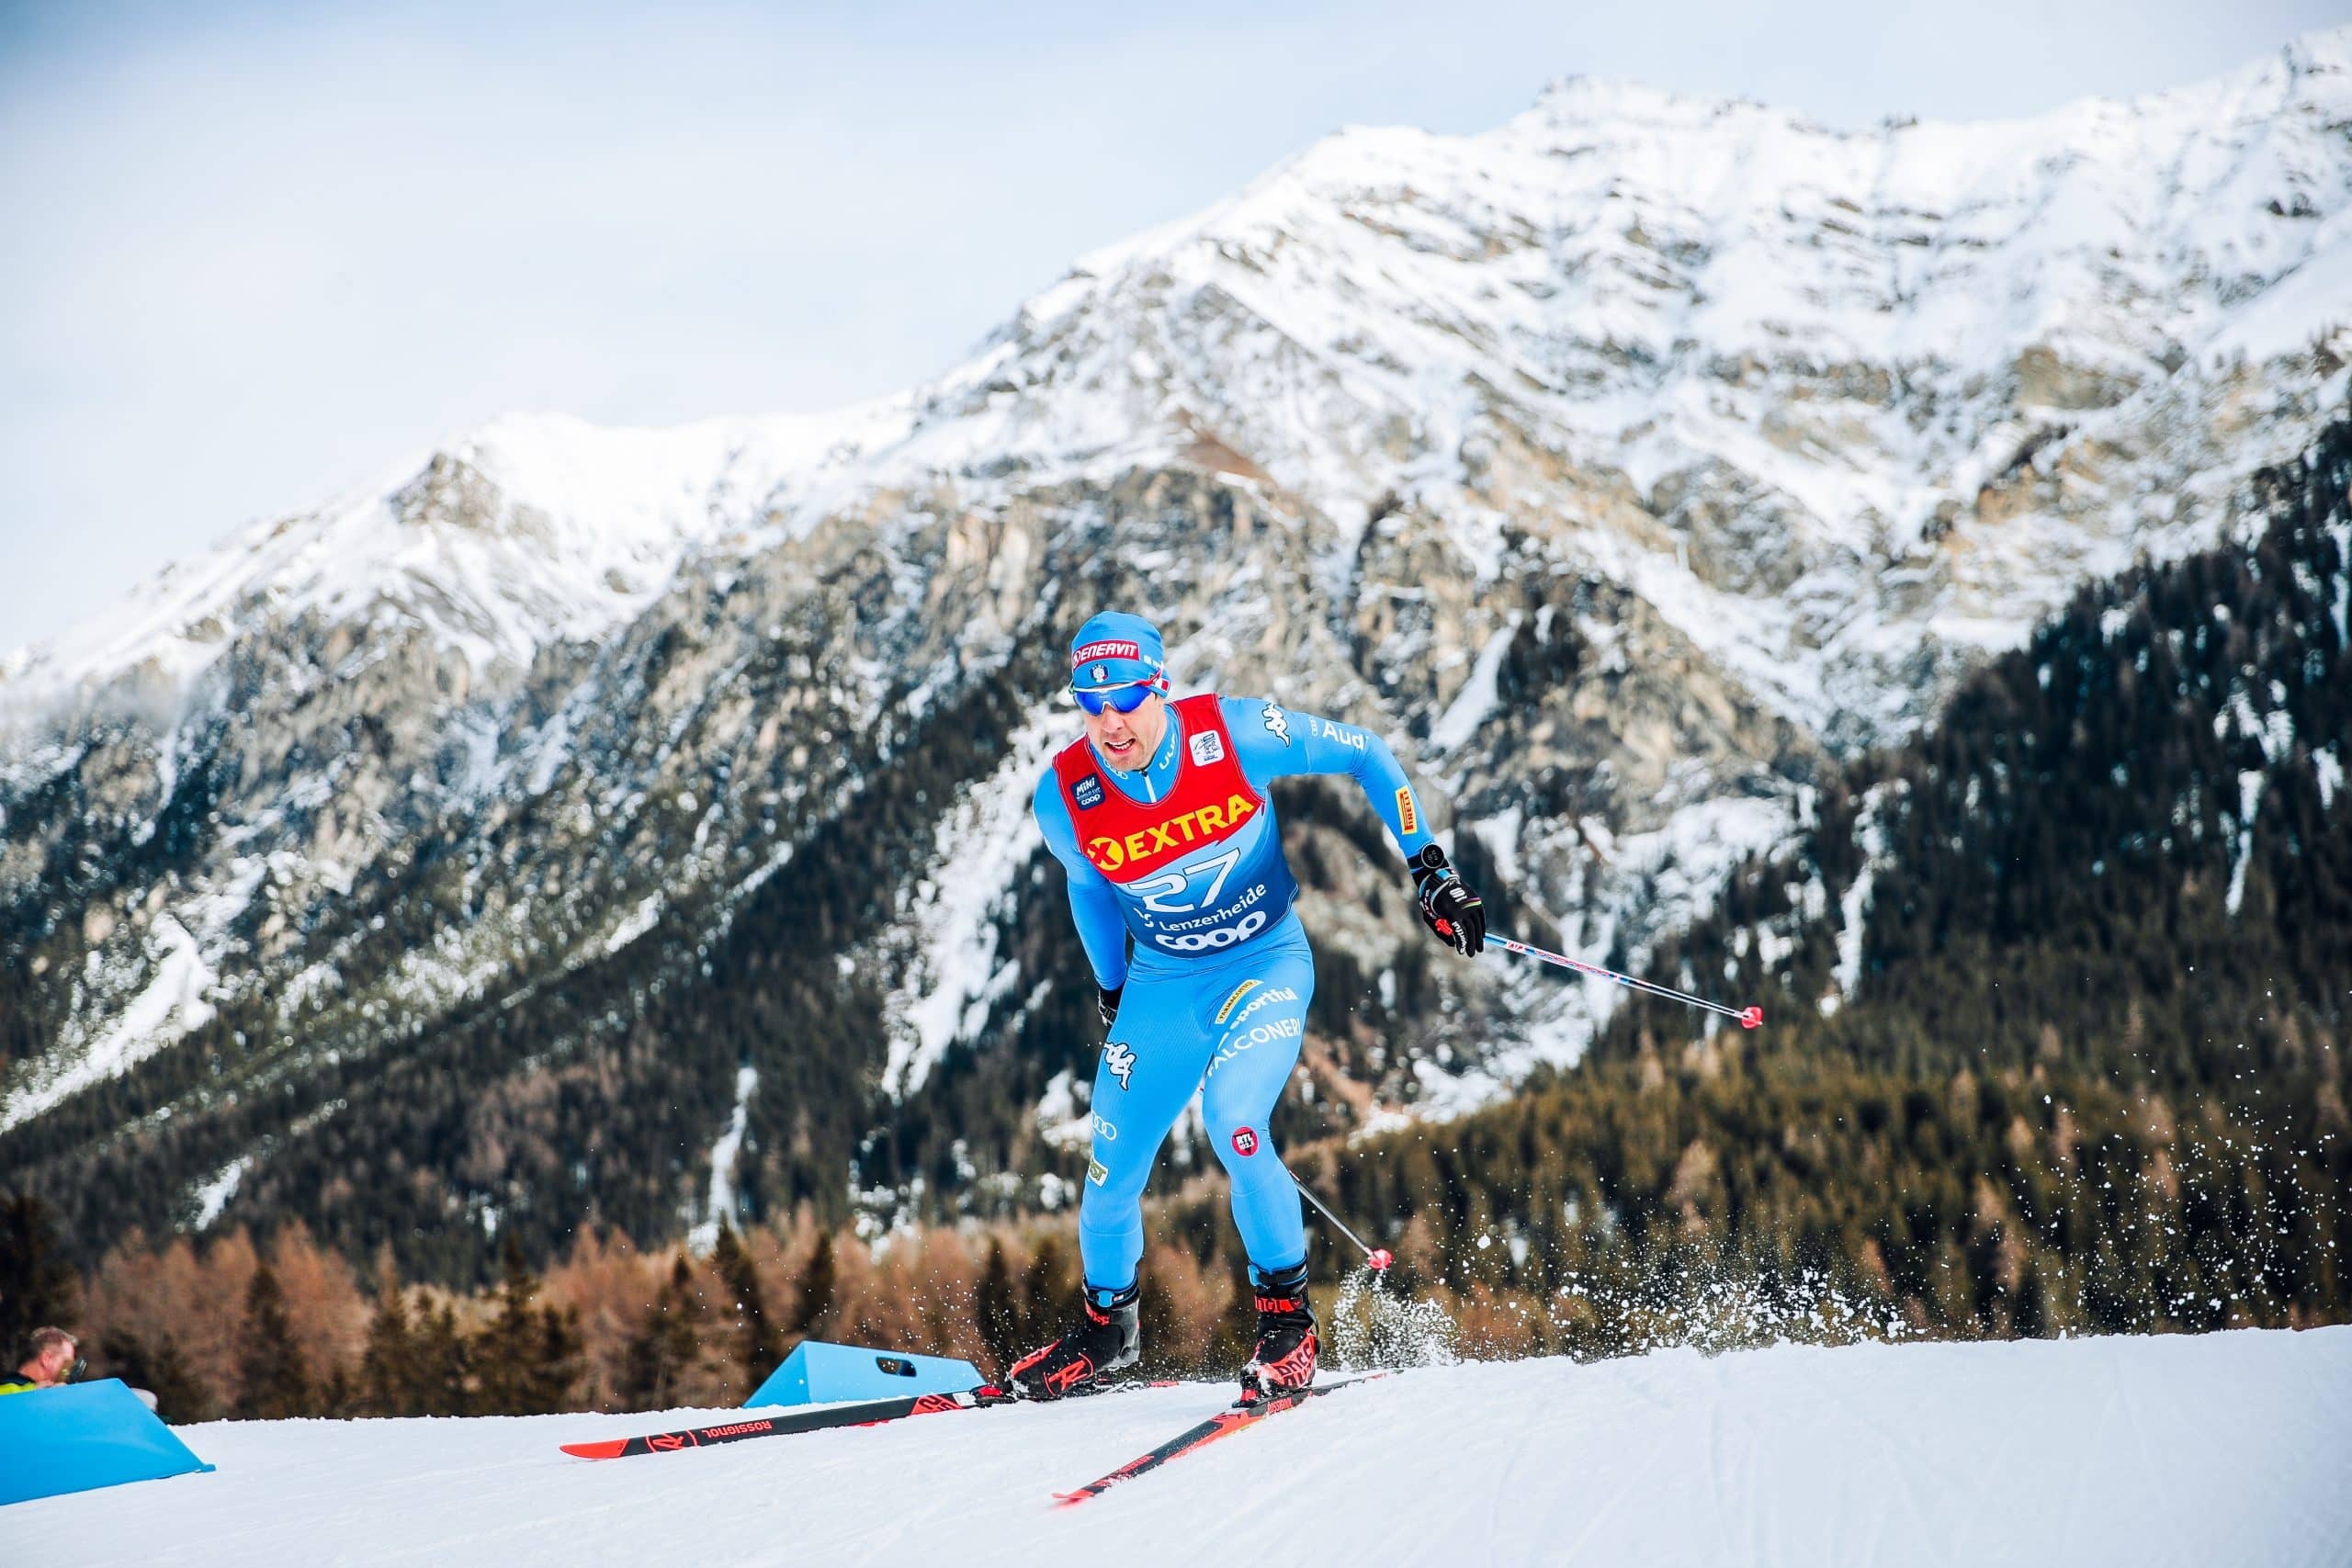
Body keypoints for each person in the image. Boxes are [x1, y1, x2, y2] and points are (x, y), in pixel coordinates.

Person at [1009, 611, 1486, 1403]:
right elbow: (1087, 886)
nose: (1110, 720)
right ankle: (1106, 1330)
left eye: (1125, 697)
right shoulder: (1065, 796)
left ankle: (1287, 1324)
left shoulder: (1230, 735)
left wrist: (1428, 865)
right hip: (1162, 983)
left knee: (1236, 1121)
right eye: (1090, 703)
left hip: (1264, 960)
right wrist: (1111, 985)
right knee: (1109, 1169)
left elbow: (1367, 753)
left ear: (1158, 686)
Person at [0, 1326, 83, 1395]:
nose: (67, 1371)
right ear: (47, 1359)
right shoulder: (9, 1389)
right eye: (67, 1363)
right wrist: (35, 1393)